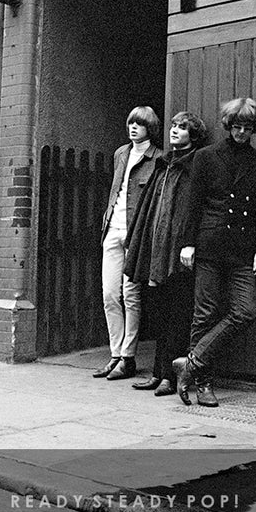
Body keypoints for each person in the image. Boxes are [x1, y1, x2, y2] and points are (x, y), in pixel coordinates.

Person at [172, 97, 256, 406]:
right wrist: (187, 243)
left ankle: (190, 363)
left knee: (245, 311)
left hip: (243, 250)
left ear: (254, 128)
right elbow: (193, 203)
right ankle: (202, 383)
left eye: (247, 128)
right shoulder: (205, 157)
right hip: (209, 244)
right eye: (236, 127)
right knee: (204, 313)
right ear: (228, 126)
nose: (241, 133)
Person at [123, 111, 209, 396]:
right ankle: (158, 372)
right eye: (173, 126)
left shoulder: (194, 165)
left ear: (192, 136)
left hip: (179, 251)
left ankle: (170, 378)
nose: (174, 131)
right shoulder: (163, 165)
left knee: (178, 313)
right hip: (157, 250)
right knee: (159, 311)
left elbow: (192, 209)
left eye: (182, 128)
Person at [94, 106, 162, 381]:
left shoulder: (157, 157)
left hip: (135, 233)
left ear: (150, 128)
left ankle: (128, 357)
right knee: (110, 294)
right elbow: (116, 189)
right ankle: (115, 354)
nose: (133, 128)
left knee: (131, 296)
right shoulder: (120, 154)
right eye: (131, 122)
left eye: (140, 124)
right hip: (113, 229)